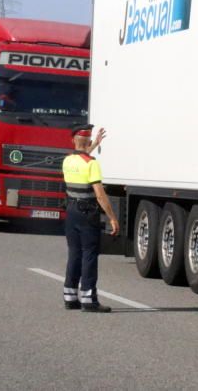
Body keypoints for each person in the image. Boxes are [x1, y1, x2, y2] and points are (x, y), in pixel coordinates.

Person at [62, 124, 120, 312]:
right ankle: (89, 299)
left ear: (73, 140)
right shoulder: (92, 164)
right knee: (89, 255)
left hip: (70, 212)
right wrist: (112, 217)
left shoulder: (68, 161)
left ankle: (70, 297)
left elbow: (81, 155)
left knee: (74, 254)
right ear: (86, 141)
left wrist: (94, 143)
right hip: (87, 214)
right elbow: (100, 195)